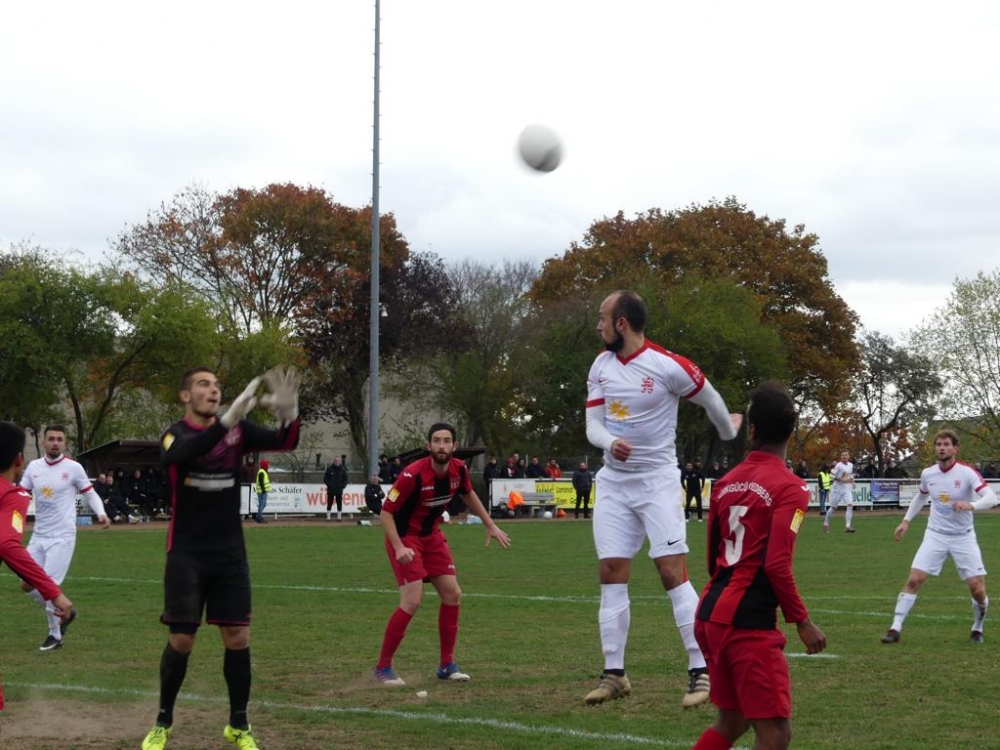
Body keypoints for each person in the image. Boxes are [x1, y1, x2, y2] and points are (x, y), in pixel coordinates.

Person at [583, 290, 741, 708]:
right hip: (614, 485)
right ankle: (614, 673)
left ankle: (701, 670)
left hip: (657, 483)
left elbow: (710, 398)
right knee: (611, 572)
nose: (597, 325)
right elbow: (592, 426)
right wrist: (611, 441)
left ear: (621, 323)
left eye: (602, 318)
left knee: (672, 573)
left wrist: (728, 431)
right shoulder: (601, 365)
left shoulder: (668, 365)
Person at [140, 366, 301, 750]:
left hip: (229, 553)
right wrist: (227, 420)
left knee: (238, 637)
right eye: (203, 384)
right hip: (186, 554)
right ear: (185, 396)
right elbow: (179, 455)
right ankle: (163, 720)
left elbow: (285, 442)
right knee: (181, 639)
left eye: (216, 385)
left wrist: (289, 414)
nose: (213, 391)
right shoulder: (173, 434)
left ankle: (238, 726)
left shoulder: (239, 432)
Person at [692, 381, 826, 750]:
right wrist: (802, 621)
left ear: (751, 430)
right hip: (747, 625)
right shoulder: (791, 488)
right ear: (791, 431)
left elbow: (711, 558)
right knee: (776, 735)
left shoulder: (724, 484)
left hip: (710, 613)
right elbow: (777, 564)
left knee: (731, 721)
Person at [373, 423, 511, 686]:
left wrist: (490, 524)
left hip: (431, 536)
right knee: (412, 601)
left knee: (452, 594)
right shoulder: (411, 475)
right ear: (429, 446)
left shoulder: (459, 469)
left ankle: (447, 666)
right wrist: (400, 547)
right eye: (436, 441)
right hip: (405, 538)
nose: (441, 446)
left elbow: (468, 494)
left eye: (446, 441)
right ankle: (382, 668)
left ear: (454, 447)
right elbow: (386, 513)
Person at [880, 429, 998, 646]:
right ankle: (895, 628)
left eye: (946, 444)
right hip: (935, 535)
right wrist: (906, 521)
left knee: (977, 589)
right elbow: (921, 496)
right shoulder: (928, 473)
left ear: (955, 448)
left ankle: (978, 627)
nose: (942, 448)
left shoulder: (967, 473)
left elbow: (991, 497)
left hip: (963, 537)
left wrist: (971, 505)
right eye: (939, 444)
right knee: (915, 579)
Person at [0, 421, 76, 711]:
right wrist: (53, 592)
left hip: (59, 536)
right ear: (20, 459)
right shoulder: (13, 495)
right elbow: (7, 544)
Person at [20, 424, 109, 651]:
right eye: (51, 439)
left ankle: (55, 635)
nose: (55, 443)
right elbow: (21, 495)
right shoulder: (33, 467)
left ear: (65, 443)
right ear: (43, 441)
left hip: (62, 537)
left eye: (59, 439)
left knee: (48, 586)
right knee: (26, 584)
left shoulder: (74, 468)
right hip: (38, 535)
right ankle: (66, 610)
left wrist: (100, 512)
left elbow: (90, 493)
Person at [823, 450, 856, 533]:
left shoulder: (850, 465)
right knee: (833, 508)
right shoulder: (838, 465)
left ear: (848, 457)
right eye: (842, 455)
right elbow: (831, 476)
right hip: (837, 489)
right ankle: (826, 523)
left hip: (846, 489)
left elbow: (850, 475)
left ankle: (848, 526)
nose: (844, 457)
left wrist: (852, 481)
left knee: (850, 505)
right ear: (841, 457)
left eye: (845, 455)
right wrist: (841, 479)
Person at [323, 456, 348, 522]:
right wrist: (329, 485)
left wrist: (343, 486)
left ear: (339, 461)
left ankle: (339, 517)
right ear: (333, 461)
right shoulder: (329, 469)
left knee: (339, 503)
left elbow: (345, 479)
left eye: (338, 460)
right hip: (331, 490)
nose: (336, 461)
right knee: (329, 503)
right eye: (335, 460)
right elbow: (325, 479)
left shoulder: (342, 470)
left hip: (339, 490)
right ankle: (328, 517)